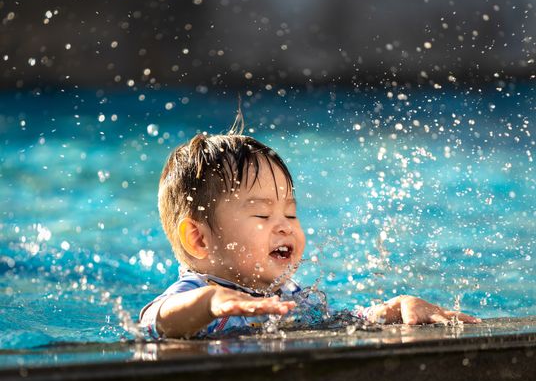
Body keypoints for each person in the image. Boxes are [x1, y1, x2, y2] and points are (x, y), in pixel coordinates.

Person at [140, 111, 480, 338]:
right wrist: (209, 304)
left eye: (290, 213)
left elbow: (342, 323)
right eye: (262, 214)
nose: (286, 227)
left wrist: (391, 310)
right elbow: (156, 319)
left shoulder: (289, 296)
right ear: (199, 240)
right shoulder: (197, 293)